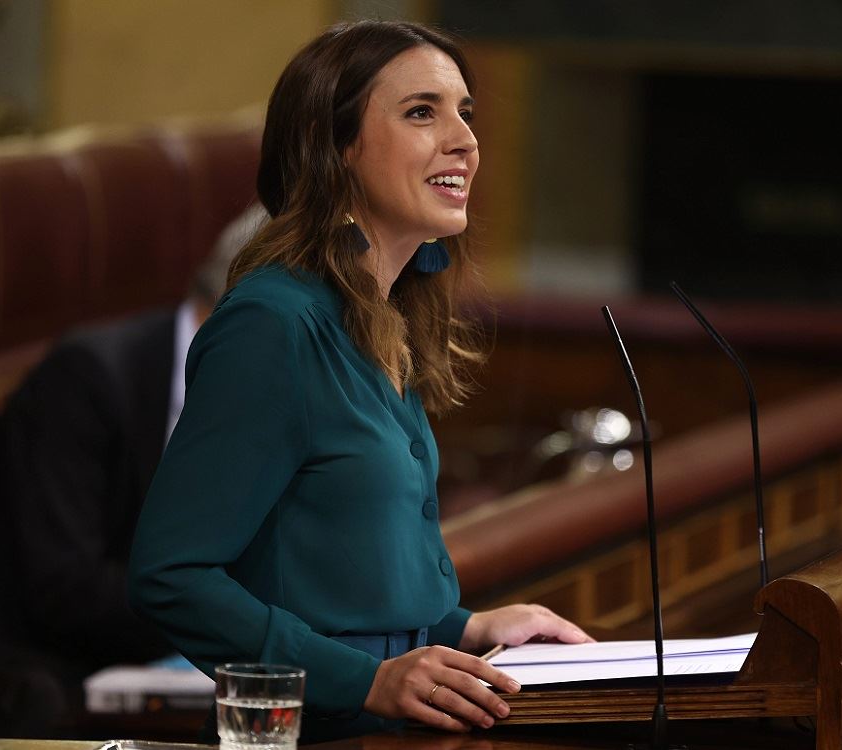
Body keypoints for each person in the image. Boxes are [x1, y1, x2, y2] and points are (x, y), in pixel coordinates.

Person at [127, 20, 590, 742]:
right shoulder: (273, 326)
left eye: (465, 112)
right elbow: (172, 575)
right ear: (335, 147)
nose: (466, 141)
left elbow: (339, 580)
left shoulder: (382, 313)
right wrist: (365, 681)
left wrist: (465, 628)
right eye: (421, 112)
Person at [0, 204, 265, 736]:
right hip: (38, 678)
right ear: (252, 309)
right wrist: (232, 615)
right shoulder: (85, 381)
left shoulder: (264, 399)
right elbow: (62, 589)